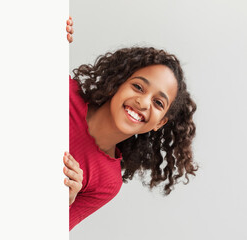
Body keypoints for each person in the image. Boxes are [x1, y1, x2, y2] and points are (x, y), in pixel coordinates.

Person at [63, 17, 198, 231]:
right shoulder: (63, 91)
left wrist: (64, 202)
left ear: (160, 123)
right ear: (117, 83)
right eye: (138, 87)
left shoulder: (107, 182)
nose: (143, 102)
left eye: (158, 102)